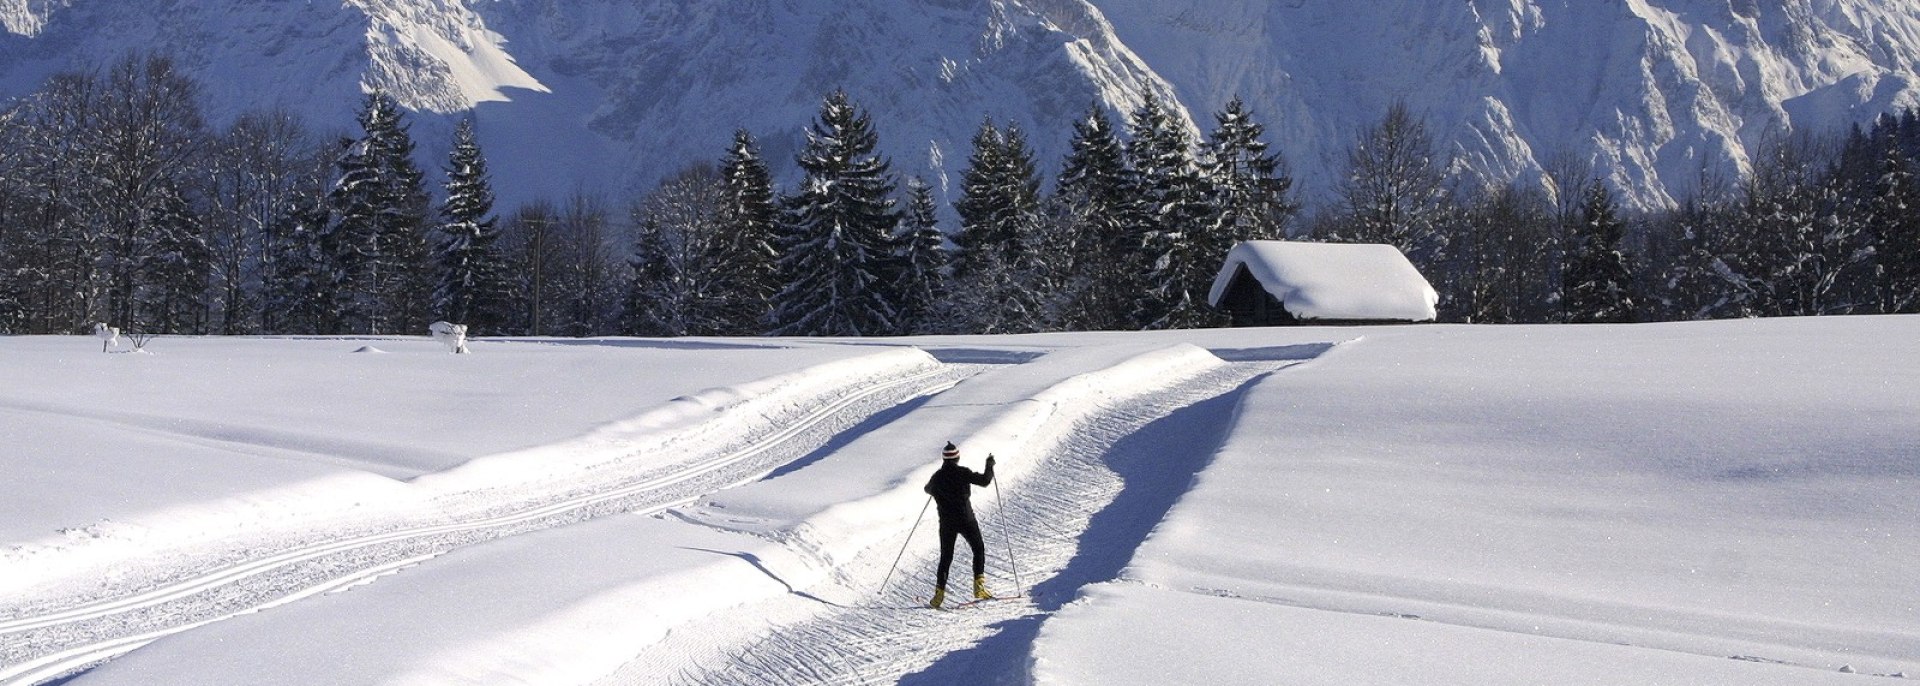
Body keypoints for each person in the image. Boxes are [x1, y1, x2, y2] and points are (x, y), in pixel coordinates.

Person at [923, 441, 995, 608]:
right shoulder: (963, 473)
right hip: (966, 519)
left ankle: (938, 595)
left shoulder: (937, 477)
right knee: (978, 549)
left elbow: (927, 489)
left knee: (946, 557)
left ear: (944, 458)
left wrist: (937, 491)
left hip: (947, 523)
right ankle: (979, 587)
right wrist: (989, 465)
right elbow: (985, 481)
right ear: (957, 457)